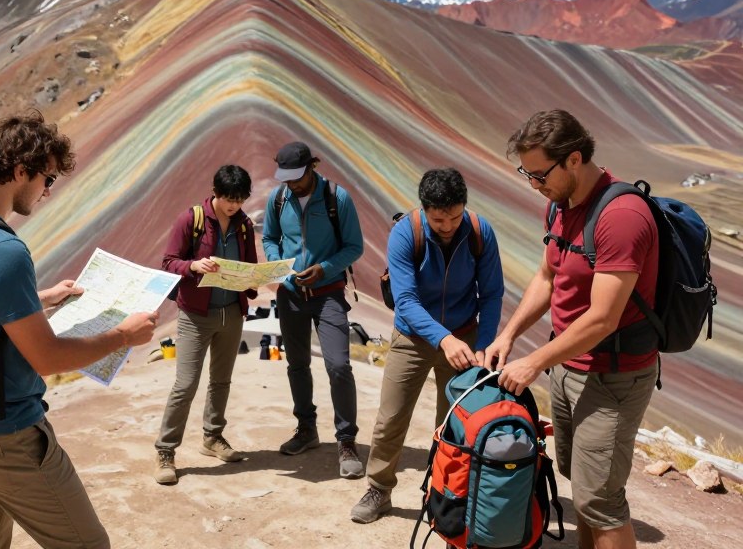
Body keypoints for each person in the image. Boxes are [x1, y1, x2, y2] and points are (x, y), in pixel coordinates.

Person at [0, 111, 158, 549]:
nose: (48, 191)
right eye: (48, 178)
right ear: (20, 171)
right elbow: (48, 358)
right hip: (6, 438)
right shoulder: (3, 251)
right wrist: (123, 336)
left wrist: (39, 298)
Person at [483, 110, 659, 549]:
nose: (533, 183)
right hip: (567, 366)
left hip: (612, 376)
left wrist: (534, 362)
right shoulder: (560, 205)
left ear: (574, 159)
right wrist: (508, 335)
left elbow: (603, 317)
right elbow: (548, 277)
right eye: (526, 172)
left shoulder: (621, 217)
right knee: (580, 485)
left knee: (601, 500)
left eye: (539, 173)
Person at [351, 167, 504, 523]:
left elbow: (492, 293)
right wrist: (443, 338)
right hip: (413, 338)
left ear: (464, 206)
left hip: (465, 338)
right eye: (439, 219)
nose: (448, 225)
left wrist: (483, 344)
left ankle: (444, 495)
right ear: (424, 210)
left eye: (454, 216)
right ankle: (379, 489)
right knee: (391, 418)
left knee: (454, 424)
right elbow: (405, 300)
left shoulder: (481, 232)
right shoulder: (406, 233)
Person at [262, 141, 365, 478]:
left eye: (296, 177)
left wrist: (324, 269)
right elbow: (269, 238)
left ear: (313, 166)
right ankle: (306, 429)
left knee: (338, 365)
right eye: (286, 178)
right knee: (297, 365)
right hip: (290, 295)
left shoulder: (338, 198)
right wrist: (280, 266)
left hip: (328, 294)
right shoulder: (278, 199)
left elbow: (354, 247)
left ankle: (347, 440)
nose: (291, 184)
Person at [153, 164, 258, 485]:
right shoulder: (192, 220)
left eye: (240, 200)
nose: (234, 205)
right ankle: (165, 451)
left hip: (231, 313)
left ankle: (213, 438)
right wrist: (194, 265)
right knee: (185, 384)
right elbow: (169, 261)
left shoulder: (244, 226)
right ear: (215, 193)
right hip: (195, 316)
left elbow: (251, 266)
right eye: (229, 199)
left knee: (221, 381)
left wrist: (257, 280)